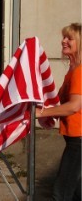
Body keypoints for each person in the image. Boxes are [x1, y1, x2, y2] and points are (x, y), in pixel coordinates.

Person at [36, 22, 81, 201]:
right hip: (74, 140)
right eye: (63, 37)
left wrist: (41, 113)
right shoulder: (72, 70)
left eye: (69, 38)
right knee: (75, 192)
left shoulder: (79, 72)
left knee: (60, 194)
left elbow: (74, 106)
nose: (63, 41)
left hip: (78, 141)